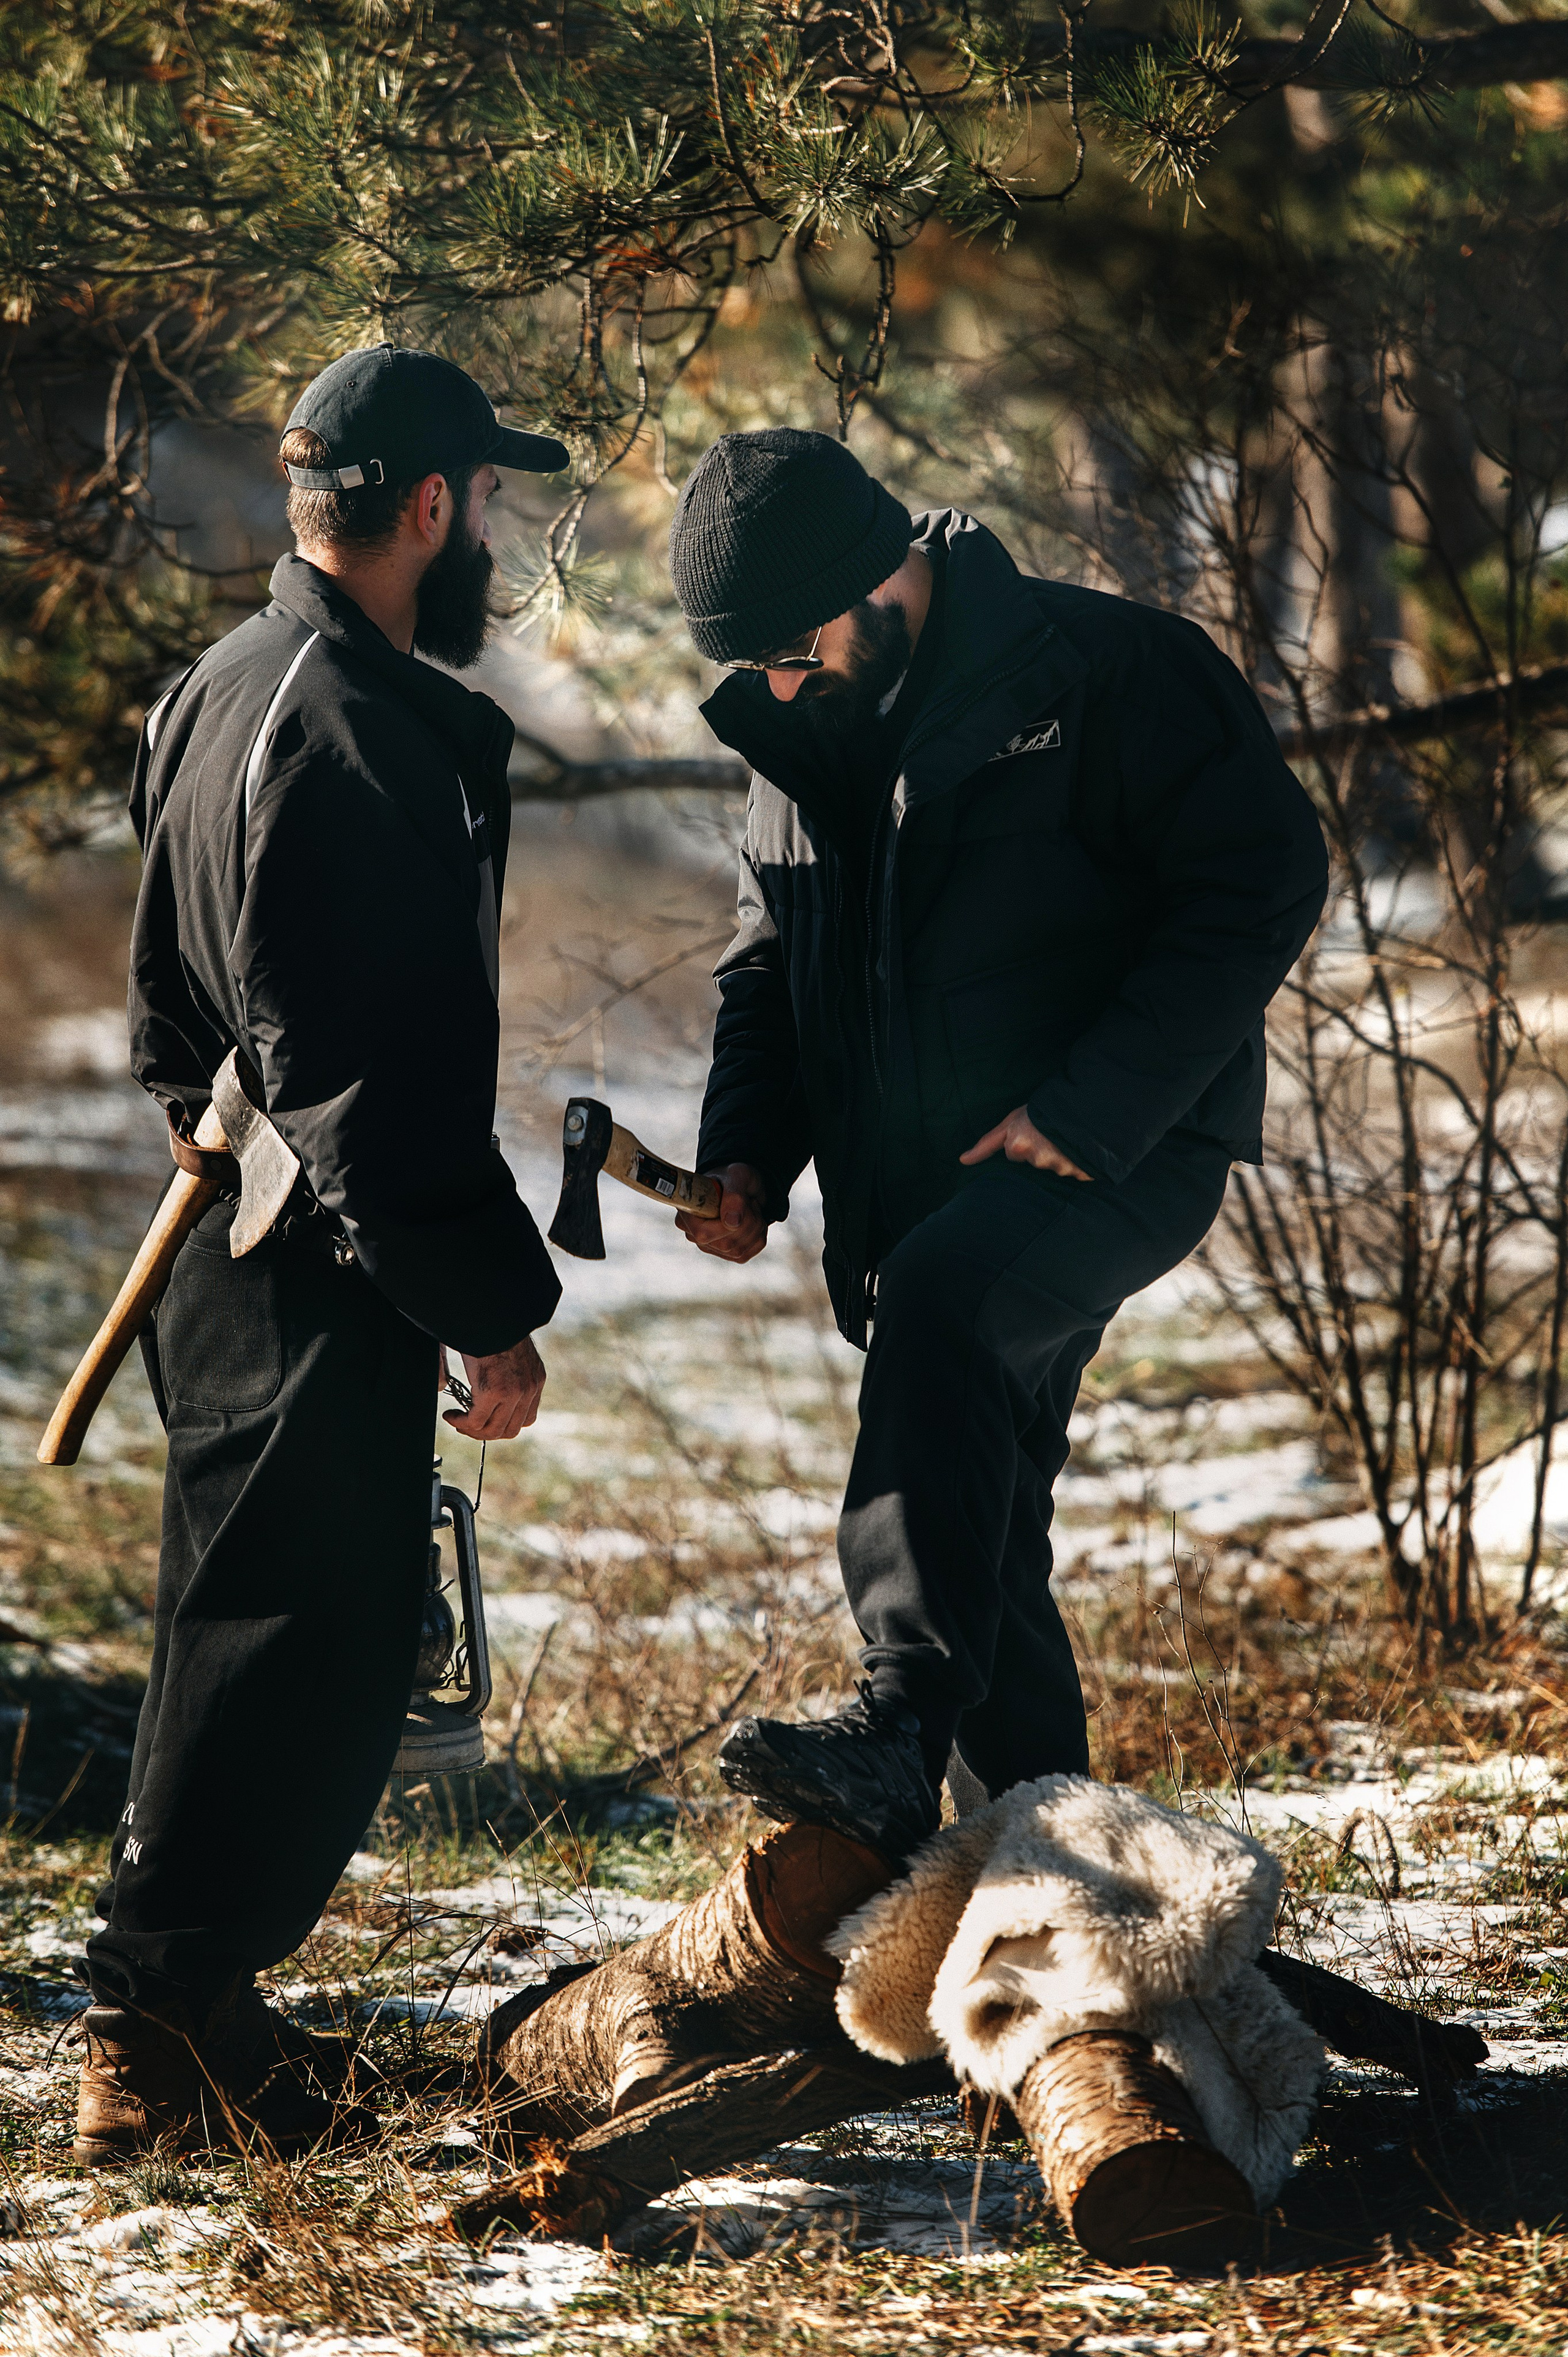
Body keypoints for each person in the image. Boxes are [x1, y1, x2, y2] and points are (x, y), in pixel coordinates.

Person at [668, 429, 1328, 1862]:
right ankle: (1052, 1887)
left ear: (878, 577)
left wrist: (1090, 1105)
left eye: (789, 645)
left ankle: (899, 1721)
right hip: (916, 1184)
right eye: (747, 663)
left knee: (949, 1314)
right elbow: (765, 970)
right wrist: (744, 1158)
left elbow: (1260, 880)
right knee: (984, 1528)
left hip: (1115, 1144)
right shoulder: (793, 737)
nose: (773, 684)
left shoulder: (1109, 671)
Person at [75, 345, 567, 2166]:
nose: (495, 533)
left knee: (260, 1623)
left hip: (244, 1220)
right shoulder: (353, 727)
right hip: (309, 1242)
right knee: (305, 1634)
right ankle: (155, 2032)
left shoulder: (217, 684)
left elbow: (165, 1024)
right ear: (428, 509)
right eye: (488, 503)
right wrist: (488, 1308)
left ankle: (199, 2017)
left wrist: (248, 1154)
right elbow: (368, 1076)